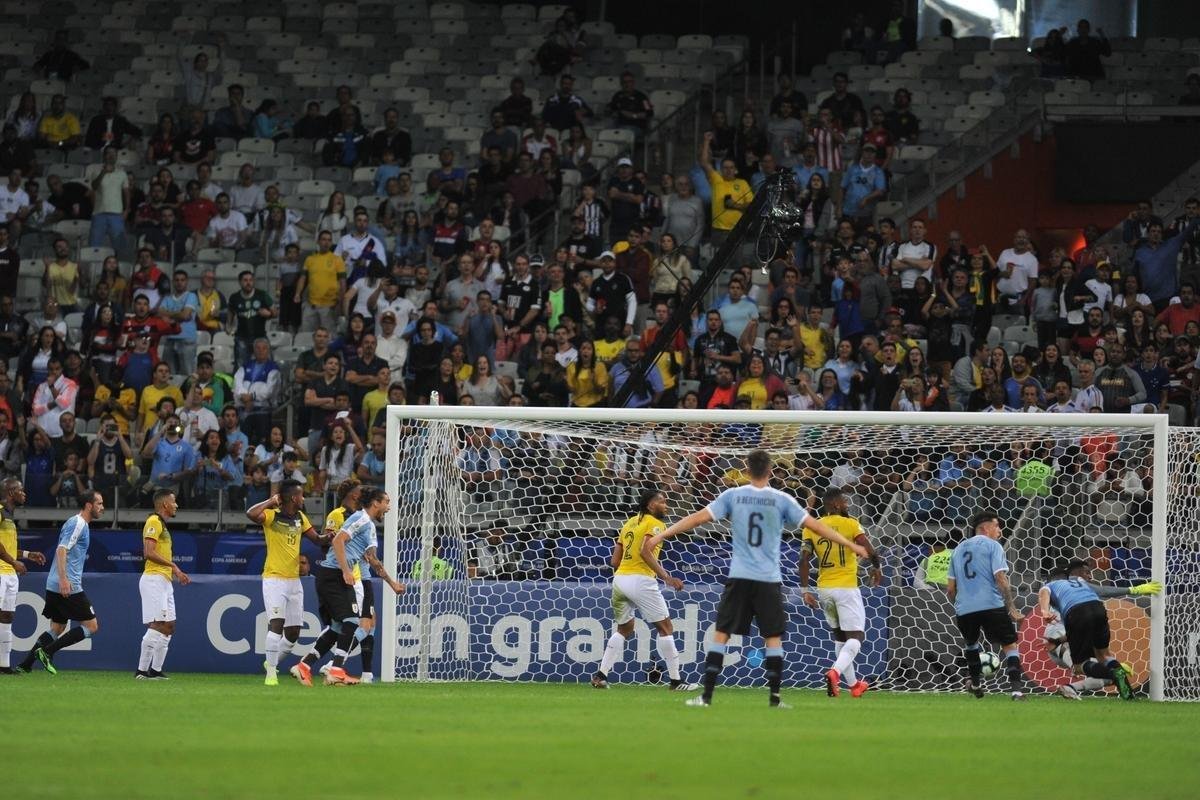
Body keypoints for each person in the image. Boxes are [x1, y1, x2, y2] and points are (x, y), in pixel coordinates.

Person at [643, 450, 867, 707]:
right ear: (770, 471)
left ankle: (706, 697)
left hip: (739, 577)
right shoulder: (781, 499)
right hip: (769, 579)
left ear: (746, 471)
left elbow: (696, 519)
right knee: (772, 637)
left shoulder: (732, 495)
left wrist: (662, 535)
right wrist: (851, 545)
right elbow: (817, 526)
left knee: (722, 634)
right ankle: (775, 699)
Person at [294, 488, 403, 686]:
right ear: (376, 503)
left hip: (336, 576)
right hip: (334, 575)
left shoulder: (368, 525)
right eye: (386, 502)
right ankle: (335, 670)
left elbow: (372, 559)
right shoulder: (360, 518)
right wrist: (345, 570)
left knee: (337, 628)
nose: (388, 507)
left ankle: (304, 666)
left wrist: (392, 583)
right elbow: (337, 540)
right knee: (352, 621)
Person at [592, 488, 697, 692]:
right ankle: (676, 681)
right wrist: (666, 577)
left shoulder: (629, 523)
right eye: (662, 502)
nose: (666, 506)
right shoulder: (656, 523)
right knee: (665, 628)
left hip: (620, 579)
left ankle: (600, 676)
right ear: (651, 505)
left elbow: (614, 561)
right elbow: (645, 550)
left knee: (624, 629)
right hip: (641, 580)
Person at [1038, 559, 1161, 700]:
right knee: (1105, 657)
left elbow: (1046, 594)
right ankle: (1123, 685)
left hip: (1072, 624)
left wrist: (1045, 612)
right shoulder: (1074, 583)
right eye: (1087, 572)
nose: (1090, 577)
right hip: (1082, 618)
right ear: (1072, 574)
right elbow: (1102, 591)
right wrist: (1133, 590)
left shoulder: (1061, 585)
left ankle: (1074, 687)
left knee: (1093, 671)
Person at [799, 488, 882, 697]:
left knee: (840, 639)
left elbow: (803, 560)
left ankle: (854, 686)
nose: (847, 504)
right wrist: (877, 566)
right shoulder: (851, 524)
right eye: (844, 501)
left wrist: (805, 590)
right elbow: (868, 548)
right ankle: (834, 672)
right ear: (836, 504)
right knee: (856, 637)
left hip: (824, 589)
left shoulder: (812, 527)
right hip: (846, 587)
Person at [246, 481, 328, 686]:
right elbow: (251, 514)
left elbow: (317, 539)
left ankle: (270, 662)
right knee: (276, 625)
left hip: (294, 581)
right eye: (301, 496)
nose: (304, 499)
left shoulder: (301, 517)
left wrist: (330, 537)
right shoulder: (272, 516)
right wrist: (271, 501)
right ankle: (271, 673)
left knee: (293, 634)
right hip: (274, 579)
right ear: (293, 498)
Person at [16, 490, 105, 674]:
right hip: (67, 585)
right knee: (91, 626)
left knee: (57, 627)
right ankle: (47, 653)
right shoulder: (78, 523)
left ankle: (25, 664)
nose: (102, 508)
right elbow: (61, 550)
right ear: (89, 505)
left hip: (54, 584)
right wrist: (64, 579)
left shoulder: (77, 523)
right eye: (99, 504)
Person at [946, 511, 1027, 700]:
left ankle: (975, 684)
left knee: (971, 645)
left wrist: (961, 605)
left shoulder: (957, 550)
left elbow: (950, 589)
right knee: (1010, 645)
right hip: (991, 604)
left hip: (965, 609)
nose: (999, 530)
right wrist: (1012, 608)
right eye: (996, 525)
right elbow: (1001, 578)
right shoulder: (993, 546)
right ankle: (1016, 691)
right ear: (984, 528)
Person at [135, 489, 189, 680]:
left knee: (169, 626)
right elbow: (148, 552)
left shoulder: (163, 526)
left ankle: (155, 670)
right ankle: (141, 671)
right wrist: (174, 565)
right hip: (153, 579)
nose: (176, 505)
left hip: (164, 580)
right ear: (165, 504)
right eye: (174, 502)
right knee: (158, 623)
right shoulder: (153, 522)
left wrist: (173, 571)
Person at [0, 478, 44, 673]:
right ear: (10, 493)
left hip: (10, 574)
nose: (24, 493)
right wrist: (13, 562)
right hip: (1, 572)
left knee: (7, 617)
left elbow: (9, 547)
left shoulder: (10, 515)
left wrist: (27, 555)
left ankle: (4, 665)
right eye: (20, 490)